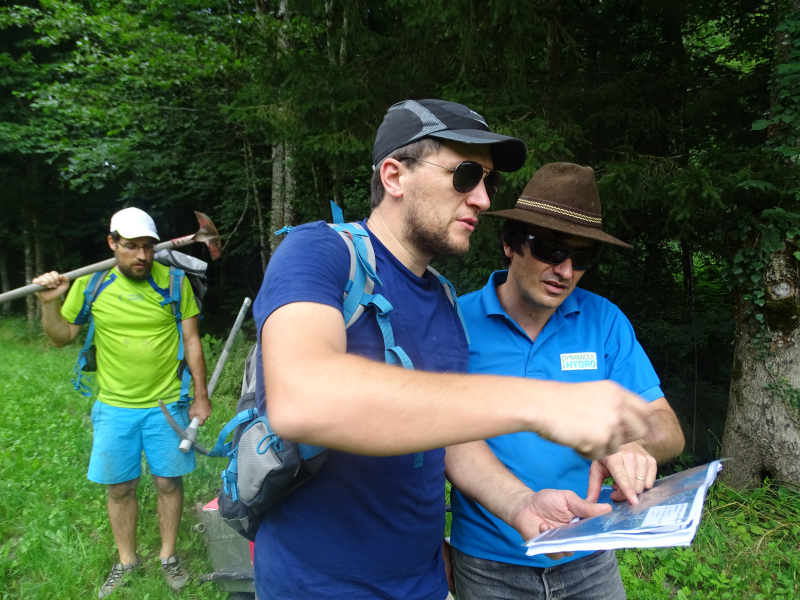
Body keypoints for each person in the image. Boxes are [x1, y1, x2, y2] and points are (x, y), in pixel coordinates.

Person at [252, 99, 660, 600]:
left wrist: (519, 504)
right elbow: (302, 398)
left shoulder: (442, 296)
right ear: (394, 175)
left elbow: (449, 439)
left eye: (488, 181)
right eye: (466, 175)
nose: (484, 199)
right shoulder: (321, 251)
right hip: (316, 587)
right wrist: (540, 404)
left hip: (421, 583)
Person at [448, 162, 686, 600]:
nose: (565, 270)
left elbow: (667, 429)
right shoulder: (455, 322)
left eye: (583, 257)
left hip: (590, 554)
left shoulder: (605, 321)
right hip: (488, 562)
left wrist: (631, 444)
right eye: (551, 249)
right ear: (510, 243)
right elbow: (442, 435)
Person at [32, 207, 212, 598]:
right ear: (112, 244)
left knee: (168, 481)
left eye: (148, 247)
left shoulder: (175, 282)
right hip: (114, 406)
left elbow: (193, 341)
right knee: (120, 488)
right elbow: (61, 337)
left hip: (167, 404)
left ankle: (168, 556)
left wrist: (201, 396)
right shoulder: (91, 283)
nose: (142, 256)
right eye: (131, 247)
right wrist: (49, 302)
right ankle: (127, 561)